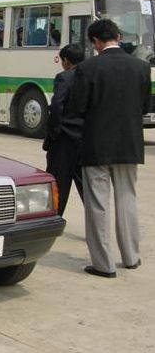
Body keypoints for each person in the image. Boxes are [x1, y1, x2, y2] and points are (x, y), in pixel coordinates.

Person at [71, 19, 151, 278]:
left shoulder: (87, 68)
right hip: (130, 144)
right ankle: (131, 257)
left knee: (98, 204)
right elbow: (144, 107)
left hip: (96, 145)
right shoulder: (141, 67)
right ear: (117, 35)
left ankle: (104, 264)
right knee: (127, 198)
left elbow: (77, 109)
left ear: (95, 42)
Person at [42, 44, 84, 217]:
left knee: (58, 185)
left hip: (64, 141)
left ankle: (54, 219)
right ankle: (96, 227)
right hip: (85, 140)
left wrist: (53, 134)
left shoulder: (64, 78)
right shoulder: (91, 76)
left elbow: (57, 106)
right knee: (87, 189)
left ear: (66, 61)